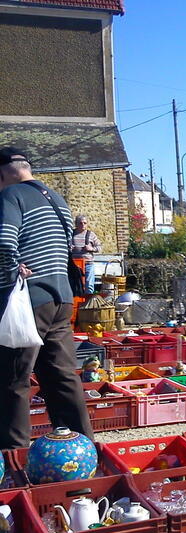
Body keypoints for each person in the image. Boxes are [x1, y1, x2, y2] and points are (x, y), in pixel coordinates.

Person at [0, 147, 94, 449]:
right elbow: (66, 248)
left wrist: (12, 269)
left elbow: (3, 241)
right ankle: (81, 447)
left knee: (14, 379)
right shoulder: (57, 198)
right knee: (61, 376)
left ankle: (15, 454)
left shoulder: (11, 196)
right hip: (61, 297)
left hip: (29, 300)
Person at [71, 215, 101, 294]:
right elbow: (63, 245)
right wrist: (69, 248)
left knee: (89, 286)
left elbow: (99, 248)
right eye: (80, 223)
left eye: (85, 223)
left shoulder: (91, 235)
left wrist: (91, 249)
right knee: (74, 285)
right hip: (74, 265)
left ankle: (88, 304)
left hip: (88, 264)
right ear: (76, 224)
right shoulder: (71, 234)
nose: (83, 225)